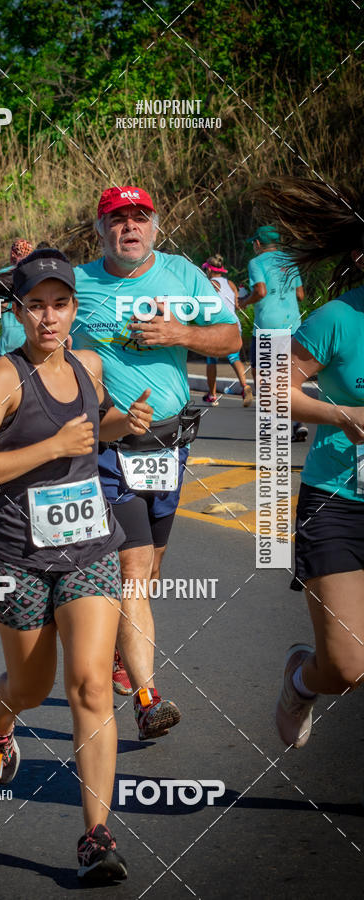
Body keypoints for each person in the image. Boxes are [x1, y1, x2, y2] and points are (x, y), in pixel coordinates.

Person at [0, 248, 154, 882]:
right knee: (33, 687)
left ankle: (97, 836)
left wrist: (125, 422)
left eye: (60, 304)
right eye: (35, 306)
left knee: (93, 685)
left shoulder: (89, 366)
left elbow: (94, 432)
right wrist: (53, 444)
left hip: (90, 546)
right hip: (17, 552)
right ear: (19, 312)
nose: (48, 317)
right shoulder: (4, 378)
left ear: (73, 309)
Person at [72, 186, 242, 736]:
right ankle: (149, 698)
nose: (130, 228)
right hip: (110, 449)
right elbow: (45, 348)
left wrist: (180, 333)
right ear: (99, 230)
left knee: (150, 569)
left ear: (155, 226)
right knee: (133, 570)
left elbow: (232, 335)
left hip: (170, 446)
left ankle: (125, 654)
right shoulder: (77, 283)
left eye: (140, 218)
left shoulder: (183, 275)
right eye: (117, 220)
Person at [250, 177, 364, 749]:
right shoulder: (337, 320)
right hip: (339, 501)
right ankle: (302, 676)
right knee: (346, 667)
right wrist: (344, 415)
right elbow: (272, 391)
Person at [238, 225, 307, 439]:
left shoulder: (256, 262)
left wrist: (244, 302)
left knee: (262, 375)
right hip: (293, 326)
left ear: (258, 244)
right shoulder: (290, 261)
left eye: (254, 243)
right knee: (289, 376)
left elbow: (260, 290)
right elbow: (301, 295)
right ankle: (299, 422)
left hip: (268, 328)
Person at [200, 254, 253, 407]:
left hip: (218, 326)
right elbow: (237, 305)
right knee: (234, 357)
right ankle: (245, 386)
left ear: (209, 270)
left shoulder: (210, 284)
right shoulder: (230, 284)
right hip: (234, 325)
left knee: (211, 359)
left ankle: (212, 395)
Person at [0, 239, 33, 356]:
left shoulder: (3, 275)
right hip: (31, 336)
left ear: (12, 254)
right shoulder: (36, 274)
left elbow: (0, 306)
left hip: (10, 337)